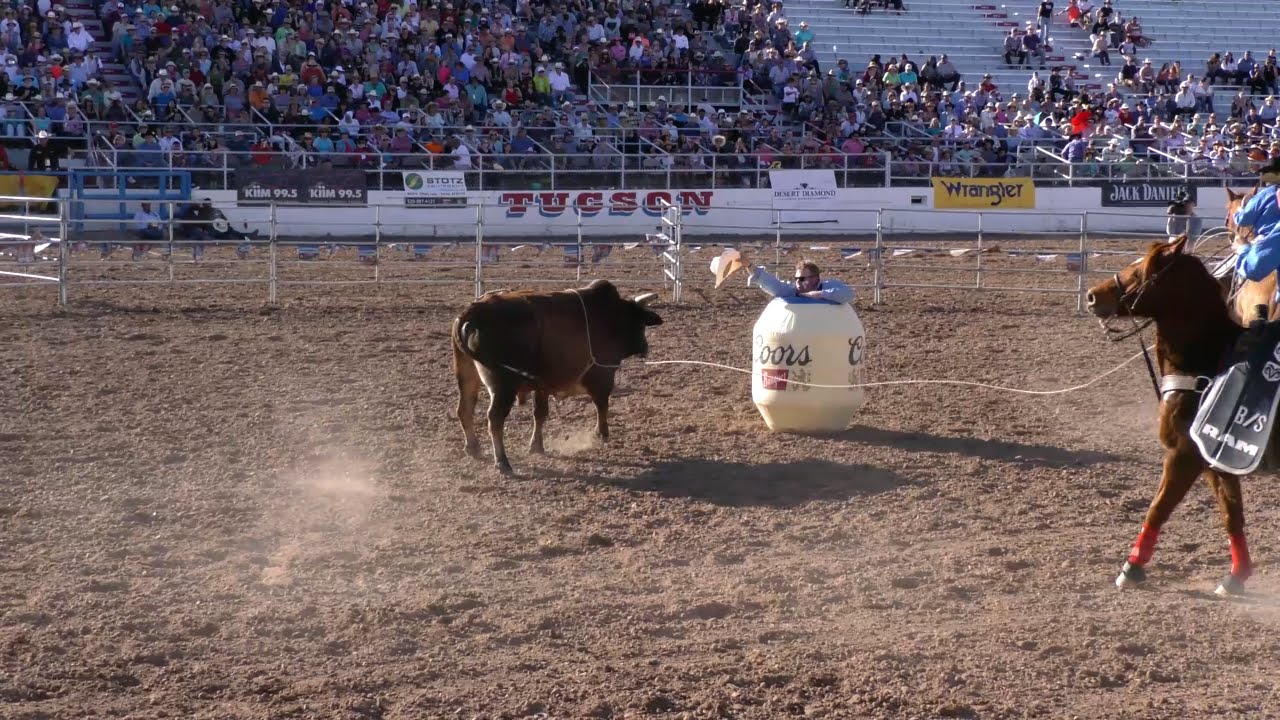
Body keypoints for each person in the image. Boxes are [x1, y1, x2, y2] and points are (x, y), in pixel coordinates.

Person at [748, 260, 856, 304]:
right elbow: (774, 285)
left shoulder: (829, 286)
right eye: (797, 279)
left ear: (815, 279)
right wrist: (750, 266)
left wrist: (819, 294)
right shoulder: (792, 290)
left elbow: (848, 294)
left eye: (802, 278)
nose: (798, 282)